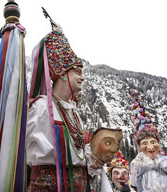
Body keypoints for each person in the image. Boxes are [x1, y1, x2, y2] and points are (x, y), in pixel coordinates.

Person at [26, 10, 104, 192]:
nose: (82, 78)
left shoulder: (73, 112)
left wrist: (92, 158)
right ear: (62, 73)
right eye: (78, 71)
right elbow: (30, 149)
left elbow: (77, 152)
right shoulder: (41, 106)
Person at [129, 89, 167, 191]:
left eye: (153, 142)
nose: (150, 147)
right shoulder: (137, 163)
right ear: (140, 146)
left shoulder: (165, 159)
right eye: (145, 143)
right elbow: (134, 185)